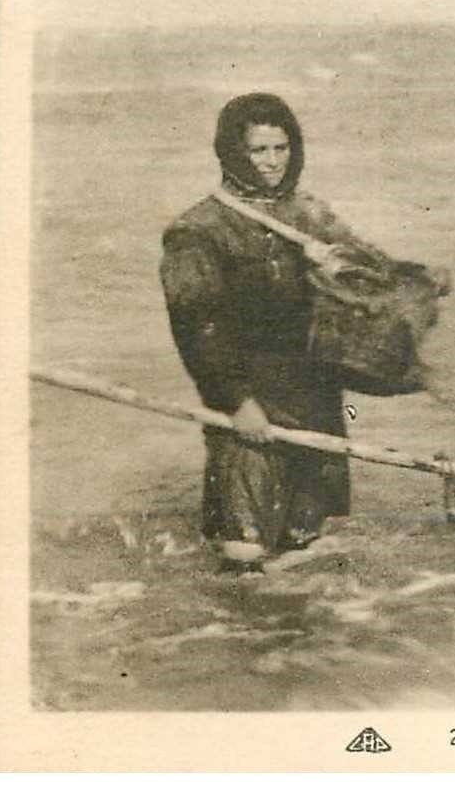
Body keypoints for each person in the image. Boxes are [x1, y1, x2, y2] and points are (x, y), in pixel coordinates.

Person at [160, 93, 390, 572]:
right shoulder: (199, 229)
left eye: (281, 148)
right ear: (232, 152)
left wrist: (381, 273)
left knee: (308, 552)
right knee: (243, 555)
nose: (271, 162)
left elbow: (371, 275)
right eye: (258, 150)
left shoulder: (310, 216)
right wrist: (236, 401)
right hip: (250, 402)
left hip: (315, 396)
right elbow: (198, 327)